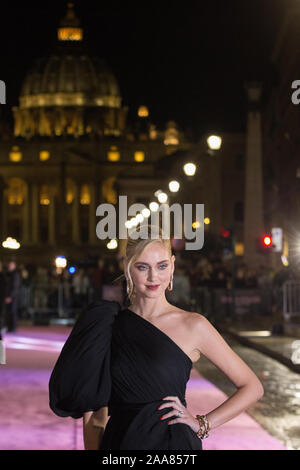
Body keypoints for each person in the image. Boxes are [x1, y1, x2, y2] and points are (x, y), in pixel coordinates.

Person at [49, 225, 264, 450]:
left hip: (174, 446)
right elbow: (94, 416)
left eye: (162, 266)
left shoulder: (194, 325)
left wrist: (203, 424)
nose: (154, 277)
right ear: (127, 267)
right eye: (143, 267)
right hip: (121, 445)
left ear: (172, 265)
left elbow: (252, 387)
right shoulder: (108, 324)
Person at [4, 260, 22, 332]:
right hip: (8, 296)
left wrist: (10, 297)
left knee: (13, 312)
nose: (10, 266)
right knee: (8, 312)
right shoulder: (8, 274)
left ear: (14, 266)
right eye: (9, 265)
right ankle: (9, 327)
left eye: (11, 265)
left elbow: (15, 287)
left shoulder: (15, 275)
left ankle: (13, 328)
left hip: (13, 297)